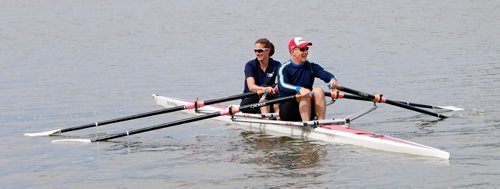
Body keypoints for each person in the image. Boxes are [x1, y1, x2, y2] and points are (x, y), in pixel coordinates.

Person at [277, 37, 338, 121]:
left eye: (307, 49)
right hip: (288, 110)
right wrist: (299, 89)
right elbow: (283, 85)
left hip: (307, 108)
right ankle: (307, 125)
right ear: (292, 51)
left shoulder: (311, 66)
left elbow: (326, 74)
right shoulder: (284, 68)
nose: (305, 52)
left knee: (318, 90)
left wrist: (332, 80)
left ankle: (321, 123)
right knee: (304, 94)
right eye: (302, 49)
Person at [240, 38, 281, 114]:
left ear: (268, 50)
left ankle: (279, 115)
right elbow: (251, 87)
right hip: (250, 100)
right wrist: (264, 88)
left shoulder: (276, 65)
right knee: (264, 87)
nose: (257, 53)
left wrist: (279, 85)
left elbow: (283, 80)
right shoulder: (250, 65)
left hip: (267, 98)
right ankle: (266, 118)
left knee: (277, 86)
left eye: (260, 50)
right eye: (255, 51)